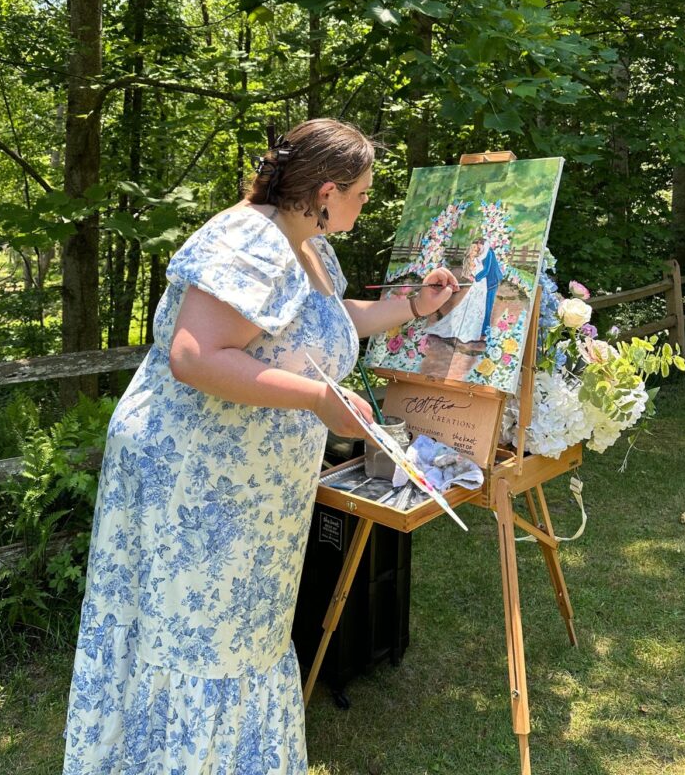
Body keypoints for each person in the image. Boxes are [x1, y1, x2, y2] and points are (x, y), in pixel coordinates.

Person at [61, 118, 458, 775]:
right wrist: (317, 400)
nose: (365, 204)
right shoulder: (252, 240)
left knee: (241, 639)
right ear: (326, 189)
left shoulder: (306, 241)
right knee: (203, 642)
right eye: (362, 192)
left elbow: (327, 319)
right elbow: (193, 355)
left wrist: (415, 306)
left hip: (249, 489)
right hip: (199, 482)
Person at [427, 239, 487, 344]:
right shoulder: (471, 260)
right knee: (473, 305)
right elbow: (470, 273)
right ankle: (466, 332)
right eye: (474, 250)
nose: (476, 251)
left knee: (478, 306)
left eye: (477, 249)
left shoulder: (477, 259)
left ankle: (473, 331)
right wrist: (474, 277)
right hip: (478, 283)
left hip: (482, 284)